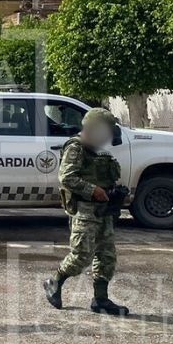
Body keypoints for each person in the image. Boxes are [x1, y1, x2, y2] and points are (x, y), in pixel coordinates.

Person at [43, 108, 130, 316]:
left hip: (104, 210)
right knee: (81, 255)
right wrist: (94, 190)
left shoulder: (99, 150)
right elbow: (67, 177)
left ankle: (100, 300)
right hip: (84, 209)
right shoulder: (76, 147)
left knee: (106, 256)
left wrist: (113, 192)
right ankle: (54, 282)